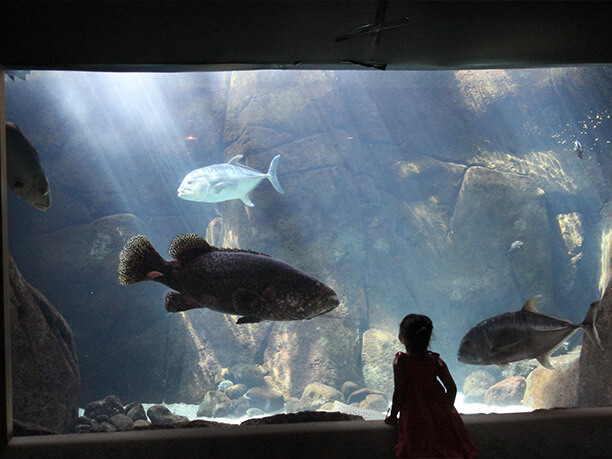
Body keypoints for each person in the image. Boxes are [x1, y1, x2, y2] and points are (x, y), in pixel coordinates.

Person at [385, 314, 478, 458]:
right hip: (439, 410)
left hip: (413, 414)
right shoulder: (436, 361)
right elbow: (451, 388)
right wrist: (446, 410)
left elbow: (400, 392)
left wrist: (393, 415)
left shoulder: (401, 362)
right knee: (447, 448)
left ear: (401, 336)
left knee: (417, 448)